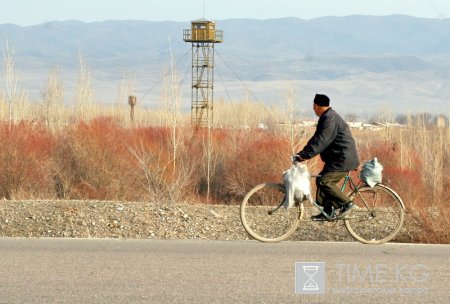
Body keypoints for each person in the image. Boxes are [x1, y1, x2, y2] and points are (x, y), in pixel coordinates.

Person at [293, 94, 359, 221]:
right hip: (338, 158)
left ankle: (347, 204)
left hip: (343, 159)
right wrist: (303, 153)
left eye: (313, 107)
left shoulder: (329, 119)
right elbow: (316, 139)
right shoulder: (327, 117)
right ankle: (327, 210)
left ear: (315, 106)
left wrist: (305, 156)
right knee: (320, 180)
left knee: (325, 181)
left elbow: (322, 141)